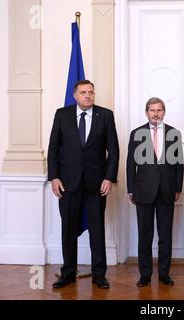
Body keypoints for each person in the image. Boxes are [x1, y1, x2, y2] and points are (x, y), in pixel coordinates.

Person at [48, 80, 119, 289]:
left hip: (97, 184)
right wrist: (54, 177)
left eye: (91, 92)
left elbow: (113, 151)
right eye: (83, 92)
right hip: (67, 184)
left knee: (97, 230)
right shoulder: (62, 115)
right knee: (68, 228)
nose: (88, 95)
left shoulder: (105, 115)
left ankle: (99, 275)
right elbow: (53, 149)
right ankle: (68, 273)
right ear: (75, 95)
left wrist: (109, 178)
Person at [126, 97, 184, 287]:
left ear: (163, 112)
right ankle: (145, 274)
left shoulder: (174, 133)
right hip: (143, 191)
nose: (156, 114)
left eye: (159, 110)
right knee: (145, 234)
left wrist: (177, 188)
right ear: (146, 112)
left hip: (167, 191)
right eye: (152, 110)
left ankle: (164, 274)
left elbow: (178, 165)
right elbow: (130, 164)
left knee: (165, 235)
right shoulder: (137, 133)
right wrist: (130, 189)